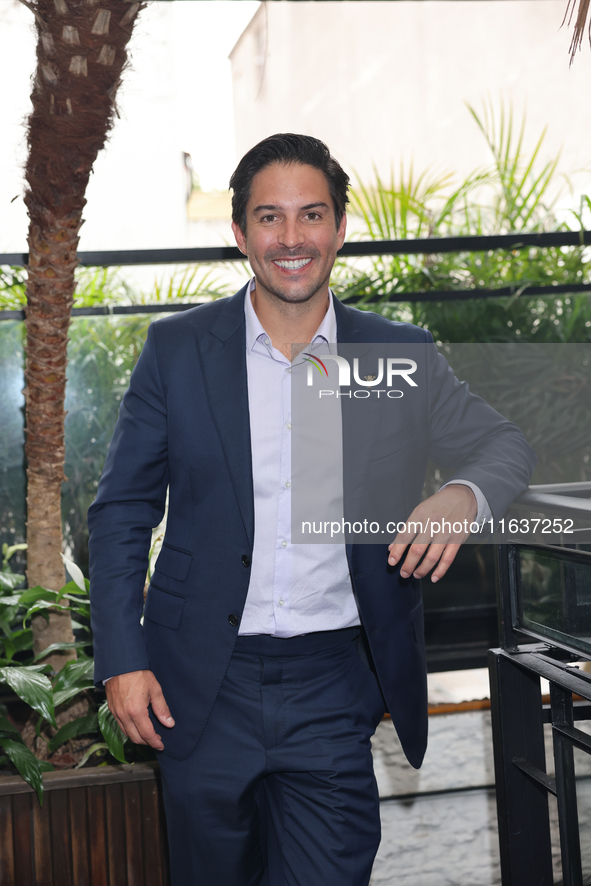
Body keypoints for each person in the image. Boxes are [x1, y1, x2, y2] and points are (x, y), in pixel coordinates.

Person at [88, 133, 535, 886]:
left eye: (311, 215)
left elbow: (504, 445)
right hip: (199, 684)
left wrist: (462, 494)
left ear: (339, 225)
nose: (291, 239)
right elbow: (121, 512)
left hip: (334, 683)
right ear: (239, 233)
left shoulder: (399, 353)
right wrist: (120, 661)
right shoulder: (176, 350)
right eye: (269, 217)